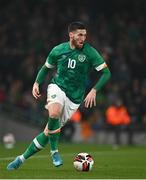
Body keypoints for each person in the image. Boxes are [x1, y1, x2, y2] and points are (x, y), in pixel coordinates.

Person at [7, 21, 111, 170]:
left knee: (47, 133)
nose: (83, 38)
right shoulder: (58, 50)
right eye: (80, 35)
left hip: (74, 98)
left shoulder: (90, 52)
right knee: (54, 112)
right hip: (57, 87)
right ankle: (54, 151)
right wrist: (36, 83)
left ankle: (21, 159)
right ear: (71, 35)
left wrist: (94, 90)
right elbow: (45, 68)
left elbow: (107, 73)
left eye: (85, 35)